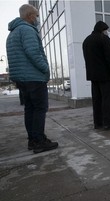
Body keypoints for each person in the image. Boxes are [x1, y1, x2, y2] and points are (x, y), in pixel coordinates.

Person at [6, 4, 58, 154]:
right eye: (36, 16)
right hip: (33, 77)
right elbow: (33, 52)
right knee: (40, 108)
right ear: (29, 16)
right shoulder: (27, 30)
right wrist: (45, 69)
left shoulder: (13, 33)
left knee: (30, 109)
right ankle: (39, 141)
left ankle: (33, 140)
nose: (37, 19)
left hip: (22, 79)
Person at [82, 21, 110, 130]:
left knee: (97, 100)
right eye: (106, 30)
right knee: (107, 99)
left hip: (93, 76)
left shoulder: (86, 40)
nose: (107, 32)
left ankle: (98, 123)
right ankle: (108, 122)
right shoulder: (104, 39)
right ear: (102, 30)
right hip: (106, 75)